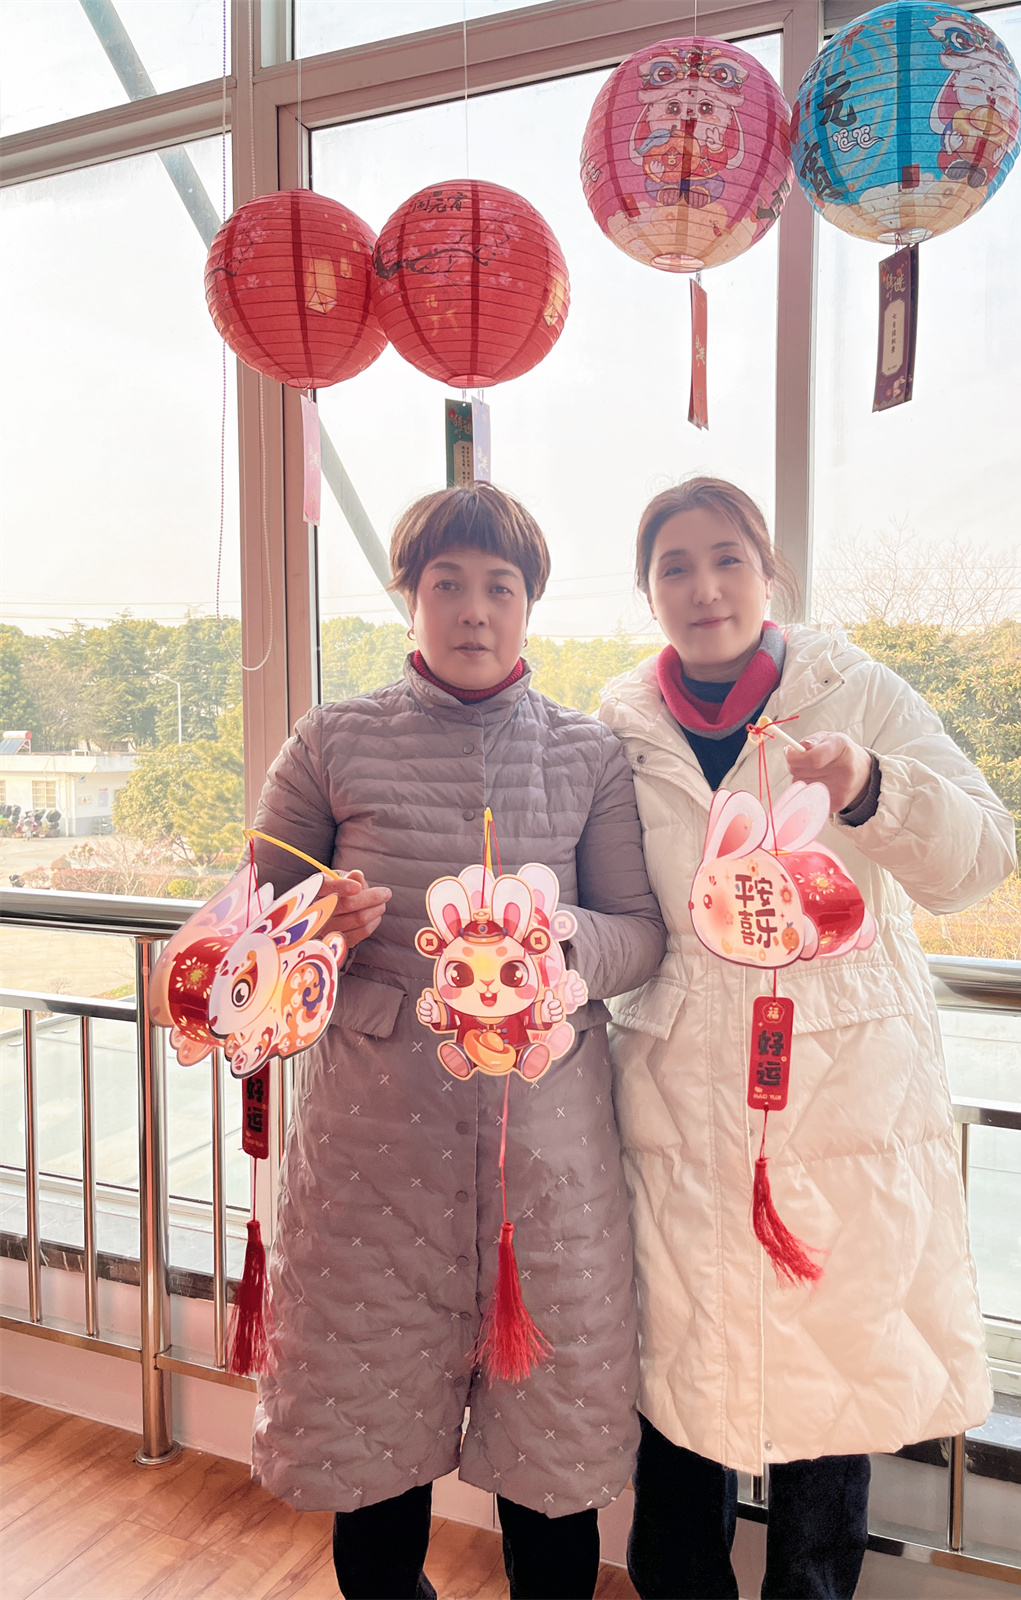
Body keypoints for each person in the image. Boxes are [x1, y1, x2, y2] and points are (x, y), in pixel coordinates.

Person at [597, 478, 1016, 1599]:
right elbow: (610, 904)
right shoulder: (619, 728)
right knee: (678, 1382)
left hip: (840, 1102)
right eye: (675, 567)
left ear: (768, 572)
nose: (704, 587)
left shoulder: (857, 691)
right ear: (648, 592)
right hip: (679, 1102)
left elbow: (983, 855)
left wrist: (871, 787)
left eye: (727, 558)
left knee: (831, 1386)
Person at [247, 483, 666, 1600]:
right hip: (372, 1153)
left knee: (552, 1456)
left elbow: (640, 935)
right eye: (447, 584)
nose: (474, 609)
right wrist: (314, 926)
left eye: (499, 586)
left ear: (530, 603)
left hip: (547, 1158)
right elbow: (253, 933)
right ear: (410, 596)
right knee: (370, 1443)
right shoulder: (330, 740)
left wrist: (558, 939)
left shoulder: (587, 753)